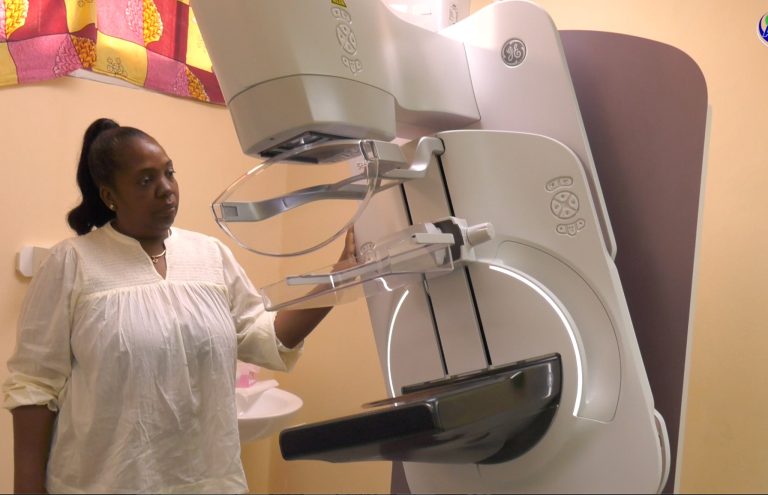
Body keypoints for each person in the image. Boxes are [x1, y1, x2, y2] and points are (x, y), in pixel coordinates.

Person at [2, 118, 355, 494]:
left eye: (169, 173)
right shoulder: (73, 263)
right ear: (109, 196)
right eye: (146, 180)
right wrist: (27, 488)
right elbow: (34, 385)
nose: (166, 189)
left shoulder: (210, 255)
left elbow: (264, 338)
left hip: (209, 483)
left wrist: (338, 279)